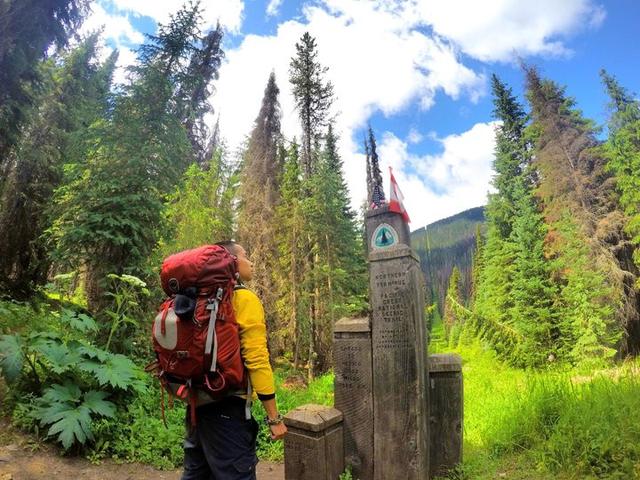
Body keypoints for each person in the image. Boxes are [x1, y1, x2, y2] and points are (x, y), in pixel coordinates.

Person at [181, 241, 287, 480]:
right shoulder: (243, 299)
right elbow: (256, 358)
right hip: (229, 409)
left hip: (197, 406)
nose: (251, 262)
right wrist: (274, 417)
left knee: (197, 475)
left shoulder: (198, 301)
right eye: (246, 256)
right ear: (232, 263)